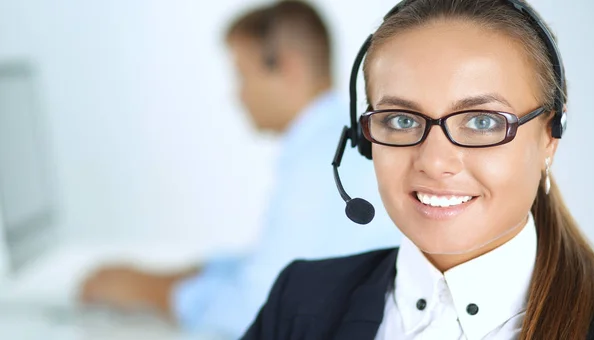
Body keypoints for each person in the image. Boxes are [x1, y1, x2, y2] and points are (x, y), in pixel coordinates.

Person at [242, 0, 594, 339]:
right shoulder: (301, 302)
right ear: (363, 140)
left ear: (550, 137)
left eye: (481, 121)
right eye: (401, 119)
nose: (434, 162)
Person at [78, 1, 400, 338]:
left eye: (242, 74)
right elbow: (274, 266)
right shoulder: (332, 138)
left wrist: (149, 292)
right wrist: (189, 275)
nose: (237, 95)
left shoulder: (318, 164)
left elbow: (258, 307)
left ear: (287, 68)